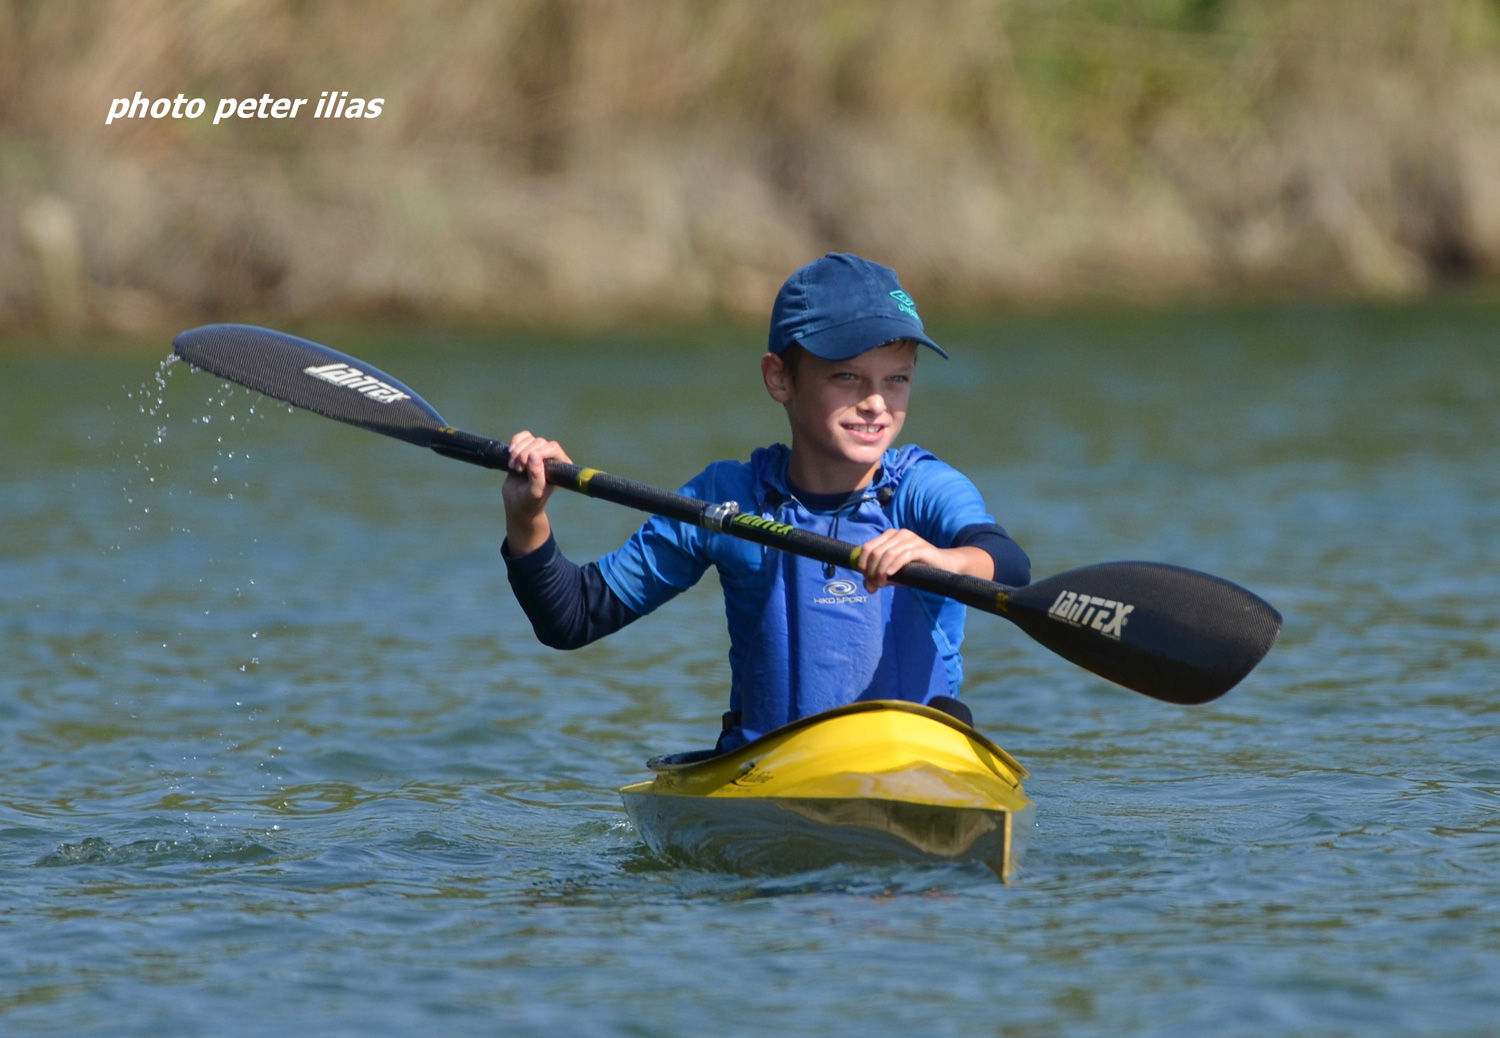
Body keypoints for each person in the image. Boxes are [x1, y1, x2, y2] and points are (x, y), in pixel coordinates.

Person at [501, 253, 1029, 751]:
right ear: (779, 378)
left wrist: (945, 560)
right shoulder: (726, 499)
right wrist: (528, 518)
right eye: (846, 376)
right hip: (773, 775)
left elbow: (1007, 564)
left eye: (897, 379)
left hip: (922, 761)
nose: (875, 403)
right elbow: (572, 618)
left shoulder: (922, 488)